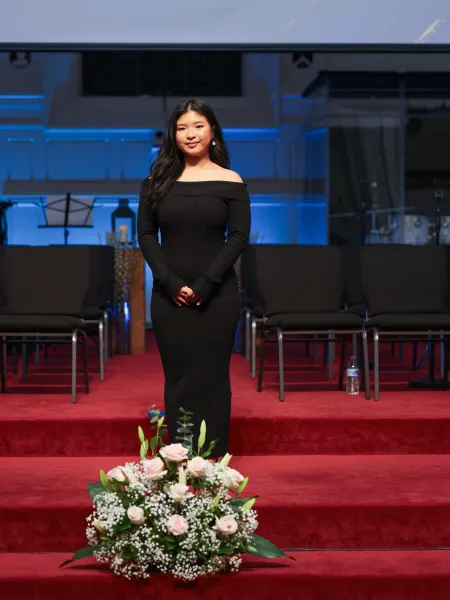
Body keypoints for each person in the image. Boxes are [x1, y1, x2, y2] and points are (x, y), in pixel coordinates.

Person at [138, 98, 251, 458]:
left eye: (198, 126)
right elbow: (146, 236)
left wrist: (205, 284)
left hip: (218, 294)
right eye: (182, 127)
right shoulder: (155, 182)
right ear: (173, 134)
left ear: (212, 131)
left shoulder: (231, 181)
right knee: (179, 376)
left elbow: (238, 238)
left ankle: (213, 459)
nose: (190, 134)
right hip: (168, 294)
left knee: (213, 375)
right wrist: (170, 283)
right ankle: (181, 456)